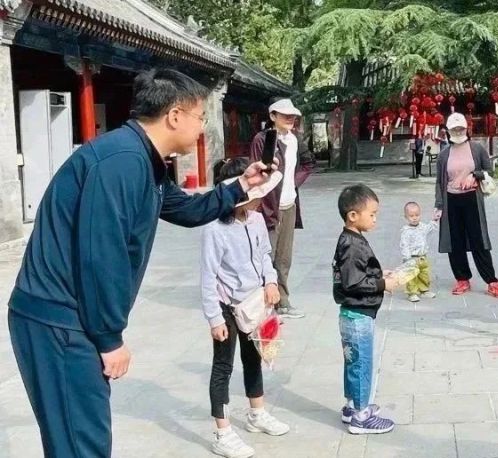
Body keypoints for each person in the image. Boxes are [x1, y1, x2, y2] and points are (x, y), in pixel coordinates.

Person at [7, 68, 274, 458]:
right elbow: (102, 257)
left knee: (78, 438)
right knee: (81, 443)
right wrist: (109, 338)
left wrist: (242, 185)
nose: (202, 127)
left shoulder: (143, 160)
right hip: (59, 320)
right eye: (200, 117)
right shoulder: (121, 162)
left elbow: (187, 209)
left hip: (69, 317)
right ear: (175, 116)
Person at [201, 158, 290, 458]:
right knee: (223, 366)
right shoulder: (215, 228)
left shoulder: (255, 220)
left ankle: (257, 413)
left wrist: (271, 281)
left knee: (254, 357)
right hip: (227, 306)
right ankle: (222, 432)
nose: (259, 200)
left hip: (255, 301)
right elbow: (208, 276)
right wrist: (215, 318)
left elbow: (264, 255)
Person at [333, 184, 398, 435]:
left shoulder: (350, 239)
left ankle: (352, 407)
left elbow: (358, 273)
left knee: (353, 362)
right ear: (353, 215)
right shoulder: (352, 245)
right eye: (371, 214)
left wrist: (380, 275)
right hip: (358, 315)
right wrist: (383, 284)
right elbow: (353, 282)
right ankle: (361, 417)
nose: (374, 219)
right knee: (361, 365)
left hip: (352, 314)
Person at [249, 99, 315, 319]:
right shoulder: (262, 139)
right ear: (272, 116)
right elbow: (258, 173)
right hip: (268, 207)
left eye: (293, 115)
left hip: (289, 205)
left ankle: (283, 301)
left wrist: (293, 183)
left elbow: (308, 163)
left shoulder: (295, 139)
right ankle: (263, 303)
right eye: (284, 115)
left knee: (284, 258)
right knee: (265, 256)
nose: (290, 119)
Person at [433, 112, 498, 298]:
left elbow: (489, 170)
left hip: (472, 199)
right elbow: (439, 182)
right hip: (451, 200)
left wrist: (475, 175)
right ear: (448, 131)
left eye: (461, 128)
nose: (458, 131)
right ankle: (462, 279)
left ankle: (491, 281)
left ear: (466, 129)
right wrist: (439, 205)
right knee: (455, 241)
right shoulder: (444, 155)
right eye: (454, 129)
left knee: (478, 240)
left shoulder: (477, 149)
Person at [399, 202, 438, 303]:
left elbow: (429, 229)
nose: (415, 218)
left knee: (424, 274)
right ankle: (412, 293)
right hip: (412, 258)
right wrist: (407, 258)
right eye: (411, 216)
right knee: (411, 276)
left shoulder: (422, 227)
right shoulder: (406, 231)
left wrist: (434, 220)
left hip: (422, 257)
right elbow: (404, 245)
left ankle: (424, 290)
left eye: (417, 215)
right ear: (406, 217)